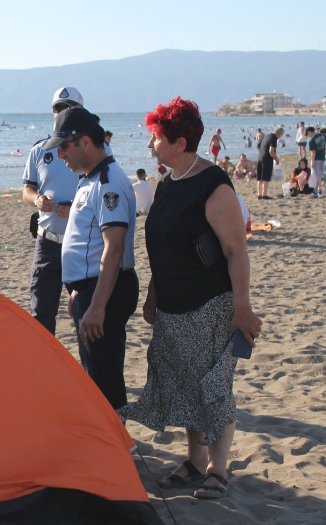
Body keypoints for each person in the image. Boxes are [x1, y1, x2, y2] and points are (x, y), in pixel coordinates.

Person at [118, 97, 262, 500]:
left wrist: (242, 307)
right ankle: (195, 462)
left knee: (213, 388)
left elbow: (237, 251)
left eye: (156, 138)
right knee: (185, 386)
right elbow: (166, 246)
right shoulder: (168, 183)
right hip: (172, 306)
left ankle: (218, 469)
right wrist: (153, 292)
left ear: (179, 143)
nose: (151, 145)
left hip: (211, 305)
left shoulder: (214, 186)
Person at [43, 106, 138, 410]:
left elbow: (114, 248)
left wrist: (97, 305)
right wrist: (77, 291)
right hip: (91, 288)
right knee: (95, 376)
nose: (60, 155)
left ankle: (117, 438)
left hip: (105, 289)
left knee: (104, 382)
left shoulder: (108, 182)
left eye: (64, 147)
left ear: (85, 142)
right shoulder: (89, 178)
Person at [21, 86, 83, 335]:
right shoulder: (40, 150)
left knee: (83, 312)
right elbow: (27, 190)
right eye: (57, 108)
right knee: (41, 316)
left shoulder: (90, 149)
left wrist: (77, 207)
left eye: (67, 108)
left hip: (80, 243)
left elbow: (102, 192)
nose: (61, 113)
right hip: (46, 243)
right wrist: (37, 200)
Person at [256, 127, 283, 200]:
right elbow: (271, 151)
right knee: (265, 178)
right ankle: (264, 195)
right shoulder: (273, 138)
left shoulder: (267, 136)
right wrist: (276, 159)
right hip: (267, 159)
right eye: (281, 135)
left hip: (260, 157)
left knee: (259, 178)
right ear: (279, 133)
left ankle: (259, 195)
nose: (281, 136)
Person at [307, 126, 325, 196]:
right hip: (322, 157)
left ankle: (315, 192)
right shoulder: (322, 136)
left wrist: (312, 162)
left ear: (310, 132)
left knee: (316, 175)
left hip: (316, 158)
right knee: (319, 175)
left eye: (307, 134)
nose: (308, 135)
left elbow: (313, 152)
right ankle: (319, 190)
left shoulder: (312, 140)